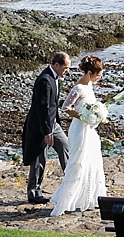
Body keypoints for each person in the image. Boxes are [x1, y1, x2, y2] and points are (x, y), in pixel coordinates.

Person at [49, 54, 108, 215]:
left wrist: (96, 114)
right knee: (78, 162)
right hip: (79, 129)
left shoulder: (89, 85)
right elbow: (65, 107)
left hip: (89, 129)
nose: (98, 78)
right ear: (89, 73)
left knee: (91, 161)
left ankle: (87, 198)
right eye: (97, 75)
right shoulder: (79, 88)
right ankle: (67, 200)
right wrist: (83, 116)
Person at [22, 51, 71, 204]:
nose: (67, 71)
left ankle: (72, 183)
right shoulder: (44, 80)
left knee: (65, 146)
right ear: (56, 65)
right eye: (65, 68)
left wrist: (54, 125)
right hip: (39, 127)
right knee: (39, 158)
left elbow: (53, 106)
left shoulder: (55, 77)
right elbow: (42, 108)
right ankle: (33, 192)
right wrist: (47, 131)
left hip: (52, 124)